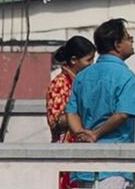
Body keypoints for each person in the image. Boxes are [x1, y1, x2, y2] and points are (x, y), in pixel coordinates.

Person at [65, 18, 135, 189]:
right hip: (115, 165)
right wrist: (96, 134)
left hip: (85, 165)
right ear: (117, 44)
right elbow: (122, 113)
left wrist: (80, 134)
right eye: (128, 38)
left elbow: (71, 112)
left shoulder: (82, 76)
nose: (132, 41)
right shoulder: (126, 77)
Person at [47, 36, 96, 189]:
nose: (92, 64)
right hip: (67, 152)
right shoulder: (60, 82)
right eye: (88, 60)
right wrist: (77, 114)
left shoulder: (82, 81)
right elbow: (55, 121)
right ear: (74, 60)